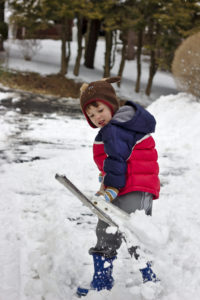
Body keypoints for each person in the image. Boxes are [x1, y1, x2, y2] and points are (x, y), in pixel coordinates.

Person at [77, 76, 160, 297]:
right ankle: (104, 280)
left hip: (135, 187)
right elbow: (115, 162)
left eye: (99, 109)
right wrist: (106, 182)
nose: (97, 117)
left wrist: (110, 189)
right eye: (91, 115)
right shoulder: (119, 126)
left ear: (111, 105)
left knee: (133, 232)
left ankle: (150, 278)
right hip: (124, 185)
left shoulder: (116, 128)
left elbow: (116, 161)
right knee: (109, 229)